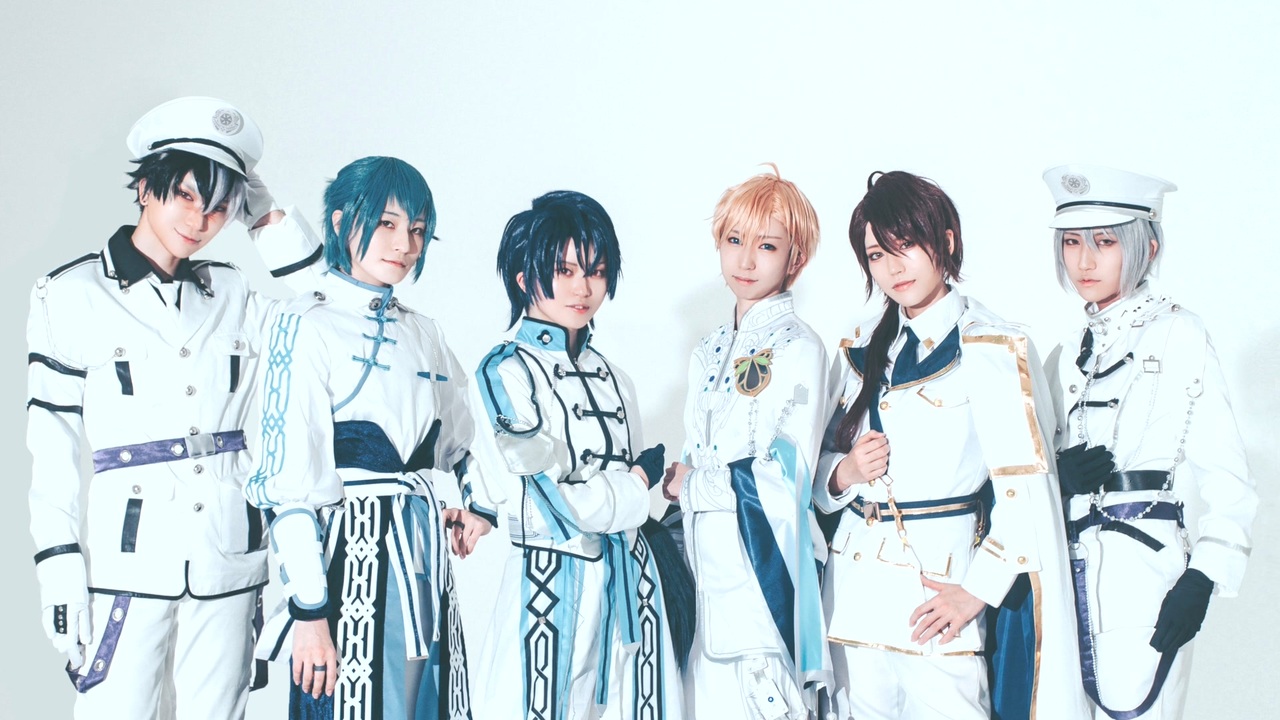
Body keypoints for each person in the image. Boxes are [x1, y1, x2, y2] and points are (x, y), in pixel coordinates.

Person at [25, 96, 321, 719]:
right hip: (127, 564)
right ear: (145, 188)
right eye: (185, 195)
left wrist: (264, 214)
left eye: (218, 206)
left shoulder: (234, 293)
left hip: (229, 561)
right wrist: (59, 567)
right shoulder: (70, 295)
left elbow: (327, 312)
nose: (200, 219)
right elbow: (50, 448)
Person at [813, 171, 1086, 719]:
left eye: (906, 246)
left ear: (946, 240)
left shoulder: (993, 346)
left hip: (939, 597)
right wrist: (843, 474)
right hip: (853, 597)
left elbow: (1027, 492)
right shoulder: (859, 348)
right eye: (877, 255)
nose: (893, 268)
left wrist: (977, 591)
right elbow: (817, 475)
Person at [243, 156, 489, 719]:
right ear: (340, 221)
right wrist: (309, 614)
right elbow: (289, 485)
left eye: (418, 230)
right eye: (386, 223)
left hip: (423, 555)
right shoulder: (305, 323)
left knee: (428, 702)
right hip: (347, 558)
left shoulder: (424, 331)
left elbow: (463, 439)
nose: (405, 244)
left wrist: (479, 506)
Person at [1041, 164, 1257, 719]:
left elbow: (1229, 480)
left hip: (1145, 581)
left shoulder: (1180, 333)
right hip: (1063, 578)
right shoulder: (1062, 353)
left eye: (1105, 242)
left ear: (1148, 246)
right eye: (1072, 242)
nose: (1085, 261)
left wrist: (1203, 577)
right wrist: (1053, 479)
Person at [466, 190, 686, 719]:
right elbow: (542, 508)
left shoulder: (616, 377)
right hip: (547, 590)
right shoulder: (505, 372)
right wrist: (635, 484)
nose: (582, 288)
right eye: (563, 270)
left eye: (596, 271)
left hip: (633, 591)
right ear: (524, 277)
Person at [661, 166, 830, 720]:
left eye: (767, 246)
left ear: (795, 258)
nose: (747, 260)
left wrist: (692, 485)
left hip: (763, 587)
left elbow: (786, 477)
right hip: (700, 589)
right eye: (735, 240)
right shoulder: (707, 350)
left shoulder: (800, 347)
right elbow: (694, 451)